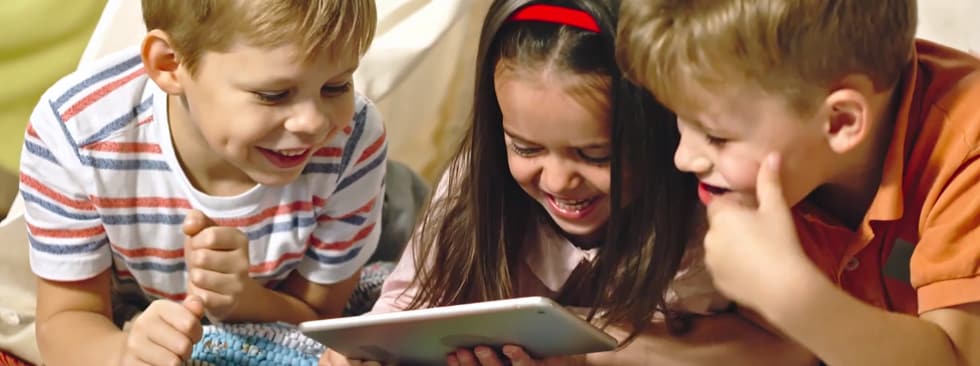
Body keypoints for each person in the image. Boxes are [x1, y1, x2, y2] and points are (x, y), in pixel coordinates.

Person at [322, 1, 815, 365]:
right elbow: (403, 309)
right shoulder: (480, 180)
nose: (557, 179)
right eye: (526, 148)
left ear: (665, 130)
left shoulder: (714, 208)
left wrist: (590, 353)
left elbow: (792, 350)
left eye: (595, 154)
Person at [19, 1, 386, 365]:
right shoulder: (75, 133)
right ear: (169, 64)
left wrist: (245, 301)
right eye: (274, 95)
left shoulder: (353, 138)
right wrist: (121, 354)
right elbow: (65, 319)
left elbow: (322, 317)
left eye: (336, 86)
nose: (313, 122)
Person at [617, 0, 980, 365]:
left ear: (840, 122)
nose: (683, 157)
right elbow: (784, 349)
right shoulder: (791, 155)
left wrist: (792, 297)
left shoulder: (967, 148)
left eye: (716, 136)